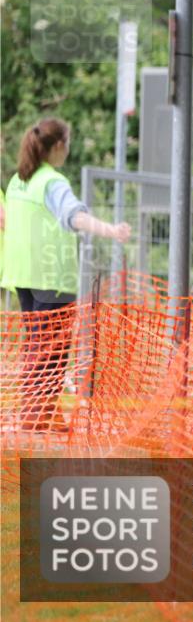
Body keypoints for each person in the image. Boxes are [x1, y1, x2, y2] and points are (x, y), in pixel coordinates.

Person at [1, 118, 131, 431]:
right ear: (58, 146)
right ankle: (39, 417)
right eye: (68, 144)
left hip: (23, 274)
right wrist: (111, 230)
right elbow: (75, 217)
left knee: (36, 345)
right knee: (52, 350)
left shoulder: (19, 180)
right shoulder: (52, 181)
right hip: (51, 278)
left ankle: (39, 413)